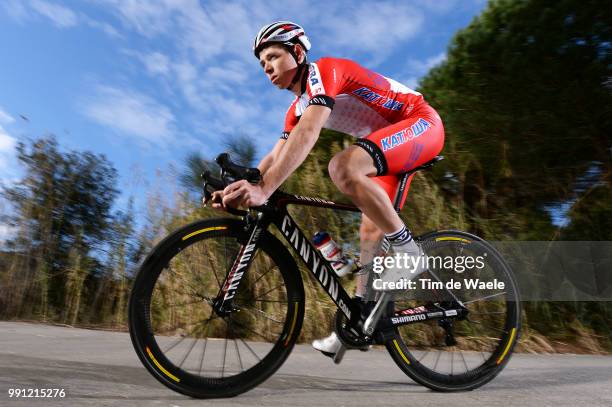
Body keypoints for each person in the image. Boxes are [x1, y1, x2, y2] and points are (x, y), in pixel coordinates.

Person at [209, 21, 445, 359]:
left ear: (298, 53)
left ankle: (411, 252)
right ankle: (359, 320)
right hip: (386, 146)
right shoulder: (295, 109)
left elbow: (311, 130)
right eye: (262, 63)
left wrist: (266, 189)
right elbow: (275, 156)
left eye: (273, 56)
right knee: (370, 229)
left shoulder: (326, 72)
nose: (267, 67)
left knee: (342, 167)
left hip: (420, 123)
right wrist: (239, 187)